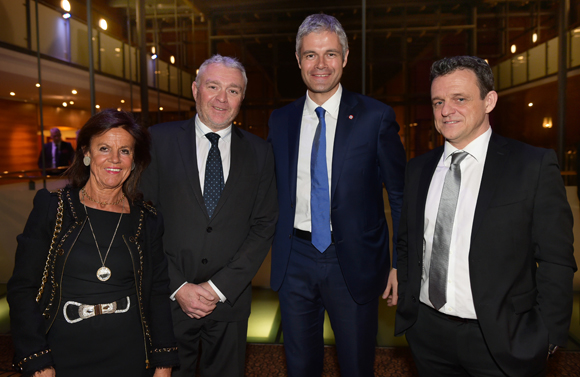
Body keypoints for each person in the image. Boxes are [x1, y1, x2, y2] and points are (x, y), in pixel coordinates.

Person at [395, 56, 577, 377]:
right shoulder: (418, 169)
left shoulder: (531, 166)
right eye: (438, 101)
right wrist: (412, 315)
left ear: (489, 100)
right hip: (427, 334)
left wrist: (547, 335)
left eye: (460, 99)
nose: (446, 110)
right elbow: (409, 242)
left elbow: (556, 259)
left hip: (502, 339)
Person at [267, 14, 406, 377]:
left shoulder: (376, 117)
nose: (321, 64)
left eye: (330, 54)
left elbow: (400, 195)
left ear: (345, 57)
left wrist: (400, 263)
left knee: (358, 366)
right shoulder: (280, 120)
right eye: (311, 55)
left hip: (354, 264)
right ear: (298, 60)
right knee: (299, 366)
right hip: (294, 259)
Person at [8, 109, 179, 377]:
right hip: (62, 356)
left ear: (134, 160)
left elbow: (157, 292)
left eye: (125, 151)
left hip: (130, 355)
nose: (115, 159)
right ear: (86, 153)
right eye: (104, 148)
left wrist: (164, 362)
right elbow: (22, 288)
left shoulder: (147, 220)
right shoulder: (53, 208)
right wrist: (36, 358)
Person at [140, 55, 278, 377]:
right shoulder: (157, 141)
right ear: (195, 89)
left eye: (232, 90)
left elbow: (263, 225)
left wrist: (217, 288)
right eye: (213, 86)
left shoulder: (260, 153)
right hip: (169, 299)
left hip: (229, 302)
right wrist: (179, 287)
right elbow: (143, 219)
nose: (221, 98)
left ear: (242, 97)